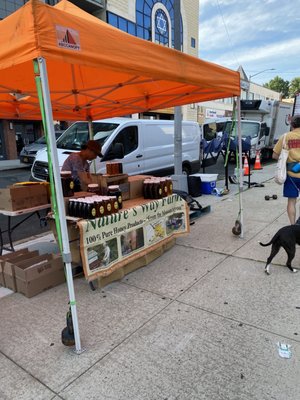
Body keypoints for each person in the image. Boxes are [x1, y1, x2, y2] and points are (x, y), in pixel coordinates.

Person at [273, 115, 300, 224]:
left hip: (291, 175)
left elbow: (275, 155)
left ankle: (293, 226)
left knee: (291, 201)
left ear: (292, 124)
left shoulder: (286, 137)